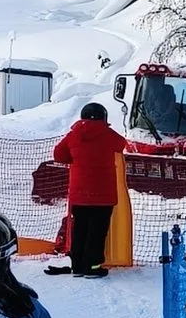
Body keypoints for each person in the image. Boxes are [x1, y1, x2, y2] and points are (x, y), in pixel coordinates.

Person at [49, 101, 130, 278]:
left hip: (79, 194)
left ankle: (77, 266)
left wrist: (76, 159)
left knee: (80, 229)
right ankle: (92, 267)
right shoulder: (108, 134)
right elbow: (121, 144)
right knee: (96, 232)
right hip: (103, 194)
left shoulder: (73, 135)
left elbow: (58, 154)